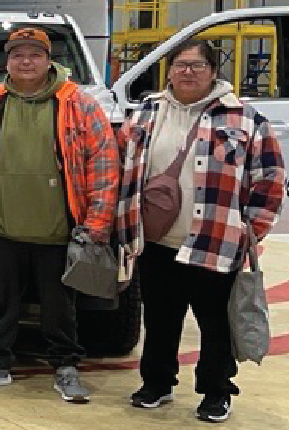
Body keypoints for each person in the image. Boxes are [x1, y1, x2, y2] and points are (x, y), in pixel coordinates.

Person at [117, 40, 285, 422]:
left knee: (214, 322)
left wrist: (252, 230)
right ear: (170, 71)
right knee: (159, 318)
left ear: (213, 71)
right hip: (157, 241)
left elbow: (271, 177)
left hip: (216, 240)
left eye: (196, 65)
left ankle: (216, 391)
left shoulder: (244, 118)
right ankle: (156, 383)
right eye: (180, 65)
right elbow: (122, 163)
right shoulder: (146, 113)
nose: (187, 72)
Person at [0, 27, 118, 403]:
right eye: (17, 55)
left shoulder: (80, 104)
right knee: (0, 302)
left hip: (60, 232)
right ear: (7, 62)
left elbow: (104, 165)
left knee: (61, 309)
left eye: (34, 55)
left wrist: (94, 225)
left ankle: (66, 366)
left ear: (49, 60)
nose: (25, 62)